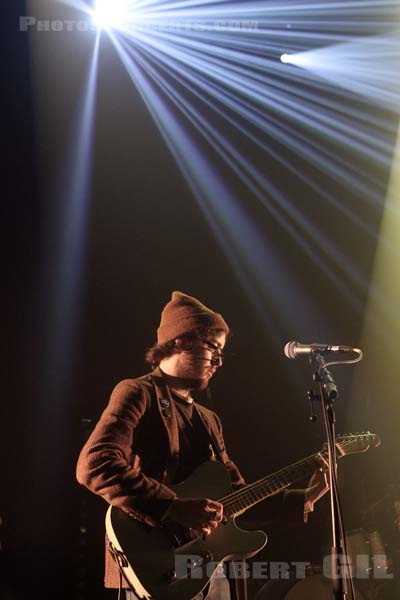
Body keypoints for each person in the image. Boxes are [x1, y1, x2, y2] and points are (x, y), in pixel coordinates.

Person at [76, 291, 329, 600]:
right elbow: (95, 463)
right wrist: (173, 507)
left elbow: (236, 499)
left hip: (208, 571)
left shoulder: (209, 420)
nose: (219, 361)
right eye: (213, 348)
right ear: (181, 341)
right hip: (156, 566)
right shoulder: (137, 393)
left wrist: (306, 496)